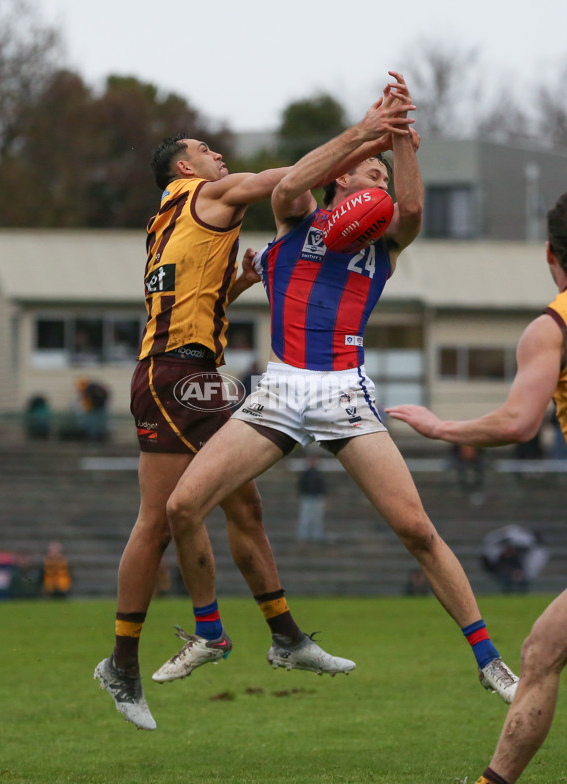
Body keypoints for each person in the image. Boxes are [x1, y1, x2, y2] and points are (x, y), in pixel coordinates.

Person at [163, 72, 518, 708]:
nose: (379, 180)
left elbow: (410, 212)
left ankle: (490, 659)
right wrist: (366, 131)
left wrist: (401, 137)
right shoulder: (295, 215)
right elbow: (295, 181)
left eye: (385, 174)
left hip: (343, 391)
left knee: (417, 530)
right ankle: (212, 635)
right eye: (370, 172)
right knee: (183, 506)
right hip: (279, 388)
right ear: (343, 180)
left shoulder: (383, 245)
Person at [93, 101, 413, 729]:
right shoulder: (206, 191)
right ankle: (123, 664)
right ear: (184, 165)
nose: (218, 154)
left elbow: (182, 287)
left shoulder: (172, 219)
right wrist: (367, 142)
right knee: (157, 522)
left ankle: (286, 638)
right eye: (205, 149)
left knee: (245, 507)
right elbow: (286, 182)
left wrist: (231, 292)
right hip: (169, 374)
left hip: (199, 375)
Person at [386, 192, 567, 784]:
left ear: (550, 254)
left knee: (541, 654)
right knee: (545, 649)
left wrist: (442, 426)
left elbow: (518, 422)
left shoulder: (553, 324)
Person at [296, 455, 327, 543]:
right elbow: (301, 485)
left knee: (317, 518)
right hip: (307, 497)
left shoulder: (318, 473)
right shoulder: (305, 474)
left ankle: (317, 536)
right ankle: (303, 536)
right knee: (305, 518)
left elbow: (322, 486)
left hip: (316, 497)